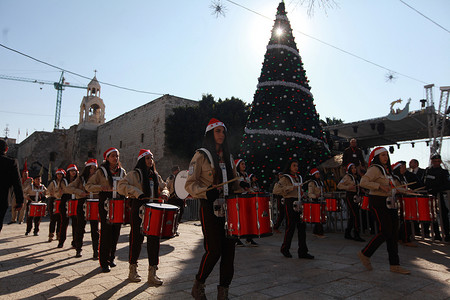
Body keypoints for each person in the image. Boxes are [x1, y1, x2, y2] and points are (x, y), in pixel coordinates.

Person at [185, 118, 240, 300]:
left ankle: (223, 292)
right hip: (209, 206)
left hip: (230, 209)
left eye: (223, 131)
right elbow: (189, 184)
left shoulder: (229, 157)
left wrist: (243, 188)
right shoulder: (200, 156)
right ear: (210, 134)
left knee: (229, 253)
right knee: (214, 250)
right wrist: (205, 192)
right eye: (217, 131)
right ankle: (198, 284)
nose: (221, 135)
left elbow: (235, 184)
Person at [118, 149, 169, 285]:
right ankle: (132, 270)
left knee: (154, 241)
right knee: (136, 239)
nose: (150, 161)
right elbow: (121, 186)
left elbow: (165, 186)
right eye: (147, 158)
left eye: (151, 158)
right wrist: (137, 192)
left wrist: (164, 193)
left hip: (154, 210)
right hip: (139, 209)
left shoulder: (155, 175)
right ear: (141, 160)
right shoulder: (134, 175)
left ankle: (152, 273)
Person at [358, 147, 410, 274]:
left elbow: (393, 188)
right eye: (382, 155)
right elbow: (363, 182)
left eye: (386, 155)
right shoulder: (375, 169)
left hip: (390, 202)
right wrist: (379, 186)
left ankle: (394, 264)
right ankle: (365, 253)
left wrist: (405, 190)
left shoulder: (388, 172)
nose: (385, 157)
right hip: (378, 202)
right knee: (386, 230)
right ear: (377, 157)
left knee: (393, 234)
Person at [86, 147, 126, 273]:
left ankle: (111, 257)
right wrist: (101, 187)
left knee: (116, 231)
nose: (115, 158)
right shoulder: (101, 172)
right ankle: (104, 261)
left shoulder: (122, 172)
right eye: (113, 156)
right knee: (106, 232)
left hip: (118, 203)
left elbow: (126, 185)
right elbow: (88, 186)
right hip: (105, 204)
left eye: (117, 156)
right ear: (107, 158)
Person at [273, 159, 314, 260]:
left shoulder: (298, 177)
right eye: (294, 166)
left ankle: (303, 251)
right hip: (290, 202)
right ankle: (285, 248)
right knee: (290, 227)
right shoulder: (285, 178)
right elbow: (276, 190)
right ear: (290, 167)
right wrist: (291, 188)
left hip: (299, 202)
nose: (296, 167)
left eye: (297, 166)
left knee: (302, 227)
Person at [65, 159, 99, 258]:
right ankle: (78, 249)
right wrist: (80, 192)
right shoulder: (81, 178)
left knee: (95, 229)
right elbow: (68, 188)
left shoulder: (98, 178)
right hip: (83, 203)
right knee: (80, 227)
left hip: (94, 204)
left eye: (95, 168)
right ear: (88, 169)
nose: (93, 170)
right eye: (92, 168)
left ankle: (96, 251)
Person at [424, 154, 450, 242]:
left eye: (438, 161)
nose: (436, 163)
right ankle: (437, 234)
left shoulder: (444, 172)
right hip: (431, 197)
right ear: (432, 161)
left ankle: (447, 234)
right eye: (435, 161)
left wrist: (436, 189)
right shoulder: (428, 171)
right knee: (433, 216)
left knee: (444, 215)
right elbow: (426, 183)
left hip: (440, 196)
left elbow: (447, 185)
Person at [0, 139, 24, 233]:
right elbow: (17, 183)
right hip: (2, 199)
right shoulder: (11, 163)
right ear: (6, 149)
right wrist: (20, 201)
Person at [337, 163, 365, 242]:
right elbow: (339, 185)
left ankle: (348, 232)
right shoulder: (347, 177)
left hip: (356, 196)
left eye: (355, 168)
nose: (354, 169)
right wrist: (348, 187)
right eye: (352, 168)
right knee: (355, 214)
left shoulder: (357, 177)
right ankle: (356, 233)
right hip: (350, 196)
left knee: (353, 216)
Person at [392, 161, 417, 247]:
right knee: (405, 219)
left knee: (405, 220)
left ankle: (401, 237)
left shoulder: (402, 177)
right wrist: (406, 191)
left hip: (404, 199)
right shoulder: (395, 178)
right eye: (403, 167)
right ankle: (405, 239)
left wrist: (408, 190)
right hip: (400, 200)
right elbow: (396, 188)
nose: (404, 169)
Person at [234, 159, 258, 247]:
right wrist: (244, 184)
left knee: (249, 219)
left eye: (244, 164)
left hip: (247, 197)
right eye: (242, 164)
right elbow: (238, 184)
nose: (244, 165)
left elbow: (248, 186)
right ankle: (236, 239)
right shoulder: (236, 174)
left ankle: (249, 238)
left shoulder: (246, 175)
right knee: (239, 219)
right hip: (239, 198)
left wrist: (253, 191)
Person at [58, 164, 79, 248]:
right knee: (64, 223)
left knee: (75, 223)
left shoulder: (78, 180)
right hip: (65, 202)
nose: (73, 172)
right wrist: (75, 190)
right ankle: (61, 241)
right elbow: (66, 189)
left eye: (74, 171)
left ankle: (75, 241)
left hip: (75, 201)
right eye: (71, 171)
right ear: (68, 172)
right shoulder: (64, 181)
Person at [46, 168, 67, 242]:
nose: (59, 176)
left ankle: (59, 233)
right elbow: (47, 191)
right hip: (53, 200)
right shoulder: (53, 183)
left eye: (61, 174)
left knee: (60, 219)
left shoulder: (64, 182)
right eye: (58, 174)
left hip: (62, 201)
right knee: (53, 219)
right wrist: (50, 193)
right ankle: (51, 234)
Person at [307, 168, 326, 238]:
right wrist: (315, 196)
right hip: (315, 201)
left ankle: (316, 231)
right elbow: (309, 193)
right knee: (318, 217)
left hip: (320, 200)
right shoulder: (311, 183)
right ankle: (319, 232)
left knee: (320, 216)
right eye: (317, 174)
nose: (318, 175)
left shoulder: (320, 182)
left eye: (318, 174)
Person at [166, 165, 184, 231]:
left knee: (180, 213)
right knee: (172, 215)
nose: (178, 171)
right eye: (176, 170)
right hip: (172, 198)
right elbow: (167, 187)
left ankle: (175, 228)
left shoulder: (181, 178)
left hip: (179, 198)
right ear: (174, 171)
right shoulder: (170, 178)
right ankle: (170, 229)